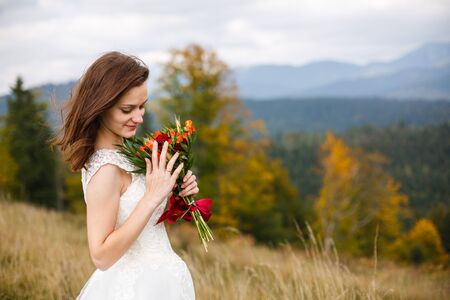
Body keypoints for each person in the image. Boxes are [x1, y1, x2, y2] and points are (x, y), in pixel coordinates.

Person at [50, 51, 197, 299]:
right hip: (136, 287)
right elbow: (101, 255)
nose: (139, 117)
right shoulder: (105, 170)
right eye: (128, 109)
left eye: (142, 106)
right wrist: (151, 197)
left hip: (163, 280)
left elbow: (144, 224)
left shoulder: (126, 154)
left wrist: (176, 196)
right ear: (102, 106)